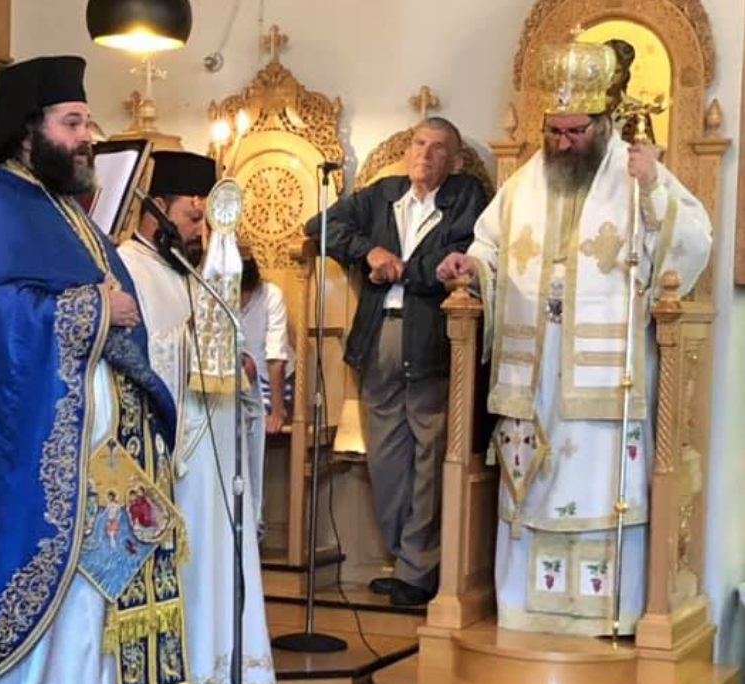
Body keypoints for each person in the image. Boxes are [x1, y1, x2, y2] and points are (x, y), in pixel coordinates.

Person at [0, 56, 192, 684]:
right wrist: (95, 308)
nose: (85, 138)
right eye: (71, 123)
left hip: (98, 467)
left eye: (87, 124)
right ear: (28, 131)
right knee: (61, 620)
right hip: (41, 466)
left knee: (90, 616)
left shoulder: (57, 206)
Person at [436, 39, 711, 635]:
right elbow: (489, 247)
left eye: (573, 132)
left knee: (597, 490)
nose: (561, 144)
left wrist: (654, 188)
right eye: (553, 131)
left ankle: (602, 616)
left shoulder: (634, 173)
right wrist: (470, 268)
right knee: (529, 485)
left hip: (604, 377)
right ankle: (523, 610)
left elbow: (693, 246)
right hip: (533, 375)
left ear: (602, 122)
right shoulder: (524, 184)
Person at [118, 150, 283, 684]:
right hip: (173, 466)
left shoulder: (189, 273)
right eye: (192, 217)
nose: (199, 231)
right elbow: (133, 357)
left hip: (214, 469)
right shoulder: (128, 267)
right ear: (156, 209)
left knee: (222, 574)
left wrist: (236, 361)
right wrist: (195, 344)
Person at [304, 117, 488, 606]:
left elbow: (464, 257)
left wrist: (404, 270)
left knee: (431, 456)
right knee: (385, 457)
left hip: (432, 339)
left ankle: (418, 569)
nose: (424, 154)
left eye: (438, 148)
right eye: (419, 144)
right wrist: (370, 252)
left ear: (455, 161)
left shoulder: (467, 197)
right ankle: (405, 556)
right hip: (376, 337)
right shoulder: (383, 195)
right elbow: (319, 228)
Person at [239, 249, 294, 533]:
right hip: (233, 382)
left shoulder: (271, 295)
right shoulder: (215, 292)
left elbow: (276, 357)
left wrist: (276, 410)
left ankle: (254, 519)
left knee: (253, 424)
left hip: (272, 384)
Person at [604, 38, 657, 145]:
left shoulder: (637, 112)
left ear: (624, 74)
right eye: (606, 68)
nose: (609, 76)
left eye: (616, 71)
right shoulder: (583, 106)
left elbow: (647, 148)